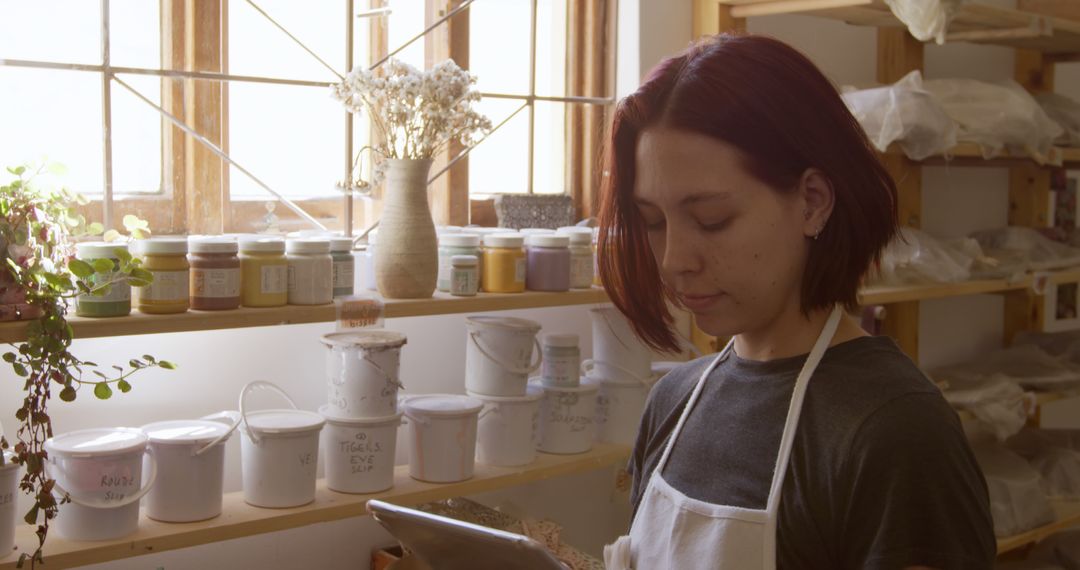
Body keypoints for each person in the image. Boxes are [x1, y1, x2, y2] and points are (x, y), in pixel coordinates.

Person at [597, 34, 995, 569]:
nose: (673, 259)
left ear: (812, 203)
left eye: (711, 219)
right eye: (653, 222)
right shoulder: (671, 403)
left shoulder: (894, 431)